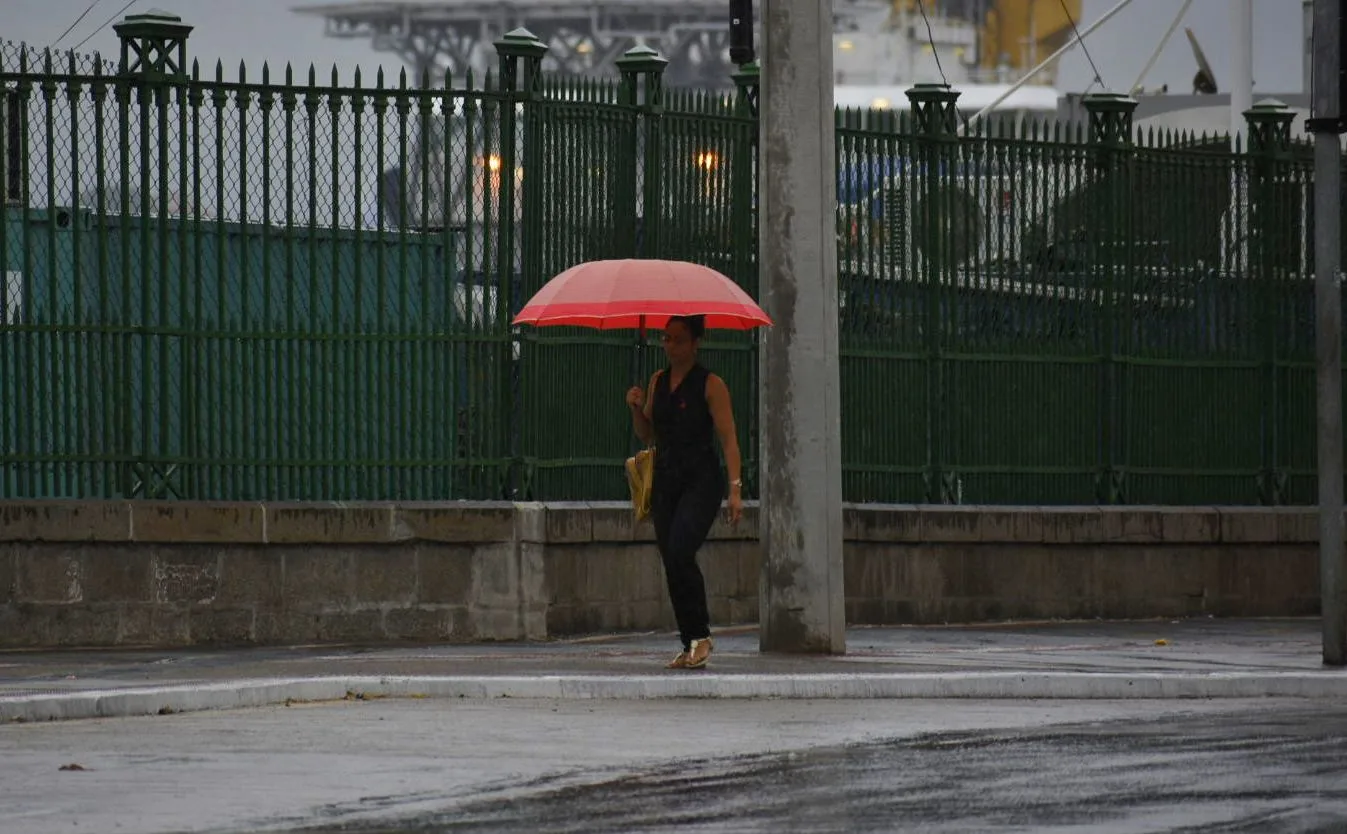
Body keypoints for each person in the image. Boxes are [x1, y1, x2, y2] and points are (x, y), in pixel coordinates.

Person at [625, 314, 743, 670]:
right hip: (665, 480)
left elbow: (729, 439)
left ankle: (702, 635)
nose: (670, 345)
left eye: (678, 339)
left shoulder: (710, 384)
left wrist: (735, 490)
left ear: (695, 343)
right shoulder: (658, 381)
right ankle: (689, 641)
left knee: (680, 549)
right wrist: (634, 406)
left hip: (701, 480)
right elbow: (647, 434)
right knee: (670, 558)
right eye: (666, 338)